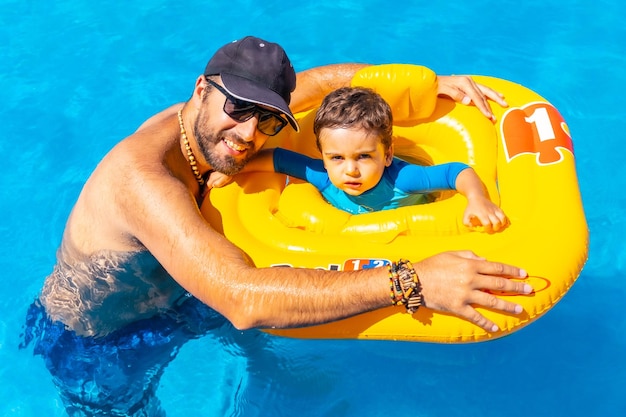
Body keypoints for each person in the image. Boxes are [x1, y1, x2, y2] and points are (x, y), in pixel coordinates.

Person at [20, 35, 530, 416]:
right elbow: (243, 300)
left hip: (187, 295)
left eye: (267, 120)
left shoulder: (234, 125)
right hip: (101, 342)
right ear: (201, 89)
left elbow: (324, 83)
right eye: (238, 110)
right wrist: (412, 281)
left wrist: (425, 88)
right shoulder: (142, 179)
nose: (247, 135)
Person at [207, 86, 508, 231]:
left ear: (387, 154)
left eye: (363, 156)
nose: (350, 170)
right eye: (336, 157)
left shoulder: (404, 179)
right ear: (323, 157)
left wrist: (477, 199)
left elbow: (456, 171)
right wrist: (236, 167)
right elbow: (278, 158)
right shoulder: (323, 175)